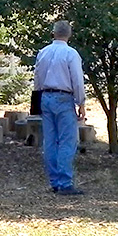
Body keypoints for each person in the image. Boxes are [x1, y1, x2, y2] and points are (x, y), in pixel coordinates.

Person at [33, 20, 87, 196]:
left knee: (50, 140)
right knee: (67, 140)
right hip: (64, 97)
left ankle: (54, 180)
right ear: (69, 34)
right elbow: (77, 80)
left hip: (45, 96)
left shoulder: (43, 52)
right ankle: (65, 182)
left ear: (53, 33)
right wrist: (81, 102)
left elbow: (38, 77)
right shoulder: (71, 54)